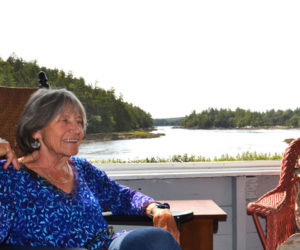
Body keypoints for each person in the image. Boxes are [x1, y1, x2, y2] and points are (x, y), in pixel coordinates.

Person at [0, 88, 180, 250]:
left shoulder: (81, 168)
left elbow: (123, 196)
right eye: (64, 120)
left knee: (157, 239)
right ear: (36, 130)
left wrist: (156, 208)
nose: (77, 129)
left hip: (106, 245)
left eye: (79, 122)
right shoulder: (10, 175)